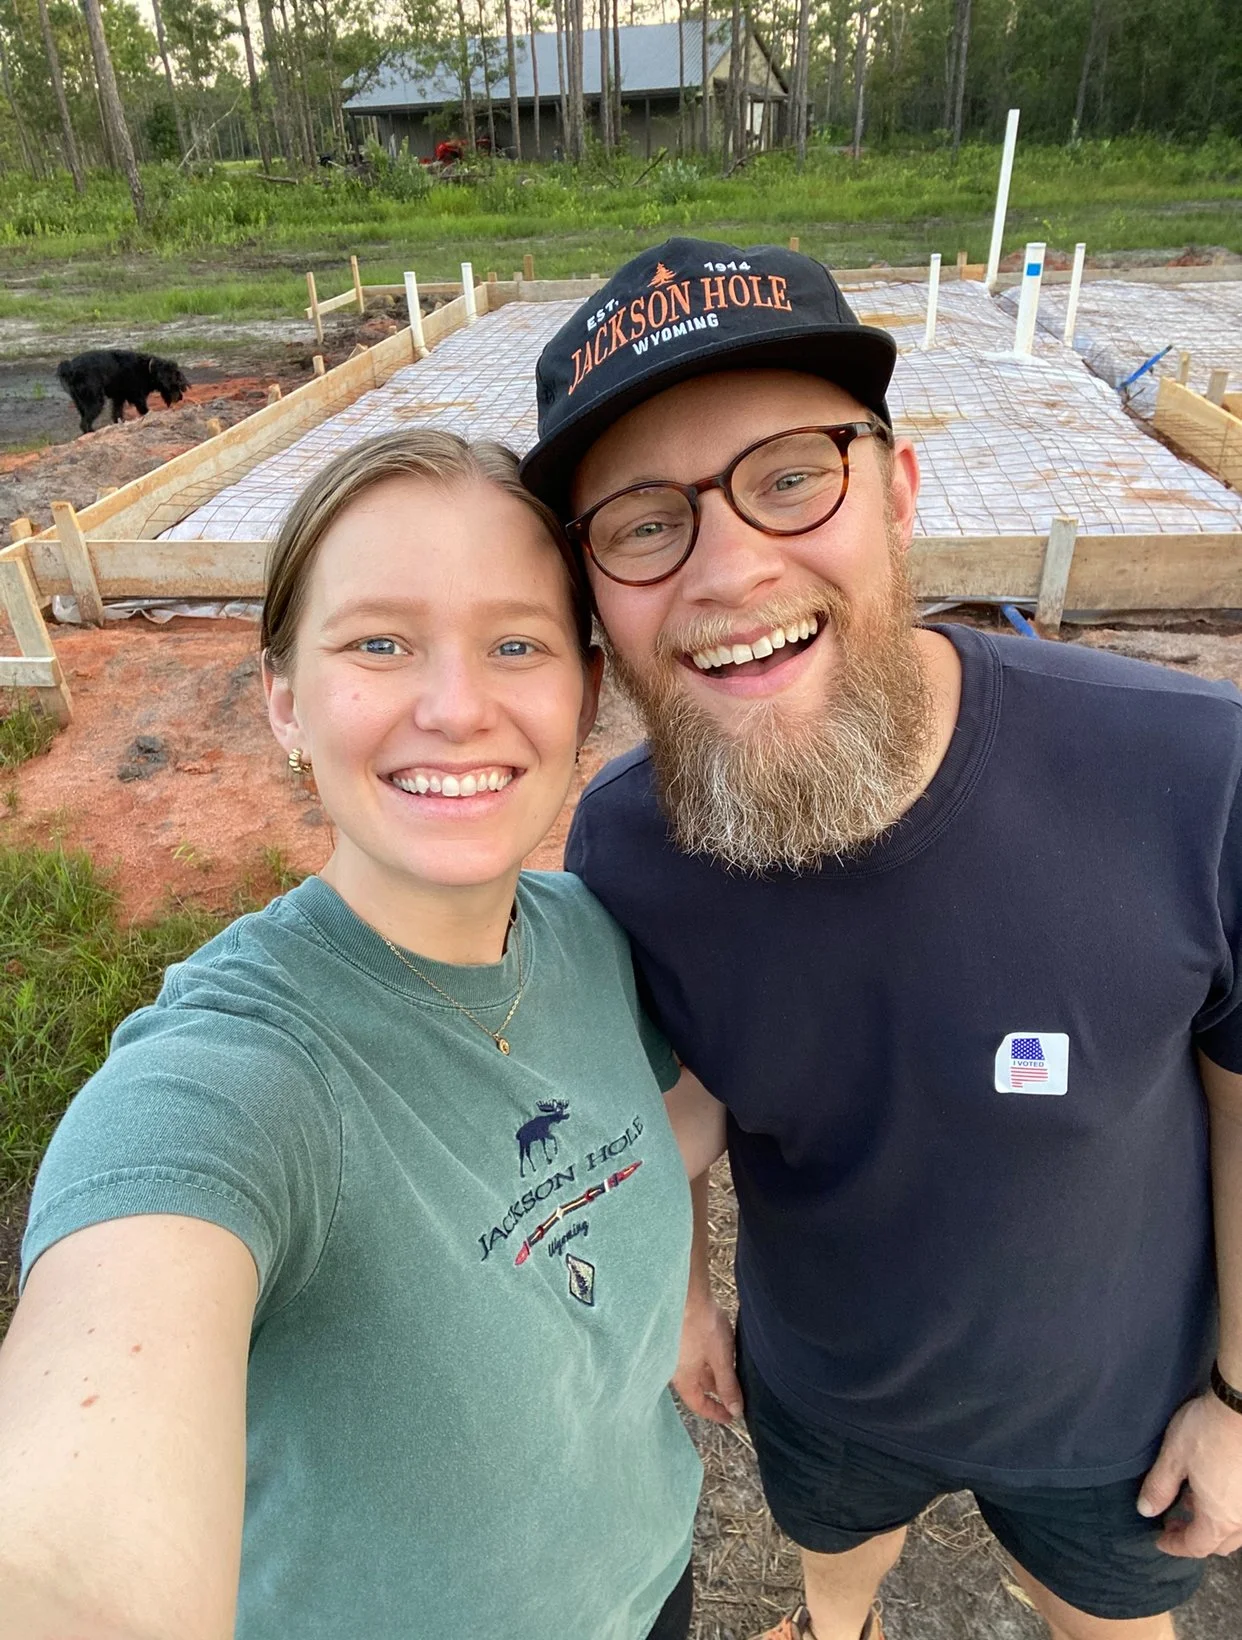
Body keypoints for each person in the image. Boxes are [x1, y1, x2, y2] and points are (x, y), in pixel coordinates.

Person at [517, 237, 1242, 1640]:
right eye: (643, 521)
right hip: (825, 1386)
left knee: (1098, 1619)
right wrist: (678, 1298)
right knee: (834, 1562)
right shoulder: (624, 846)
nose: (728, 567)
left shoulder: (1190, 775)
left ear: (899, 491)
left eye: (790, 476)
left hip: (1113, 1406)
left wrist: (1235, 1396)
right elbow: (673, 1108)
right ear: (595, 593)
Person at [0, 430, 707, 1640]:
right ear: (283, 698)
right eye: (378, 642)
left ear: (586, 692)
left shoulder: (597, 938)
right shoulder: (238, 1076)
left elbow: (660, 1131)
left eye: (517, 643)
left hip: (645, 1584)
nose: (453, 705)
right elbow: (71, 1550)